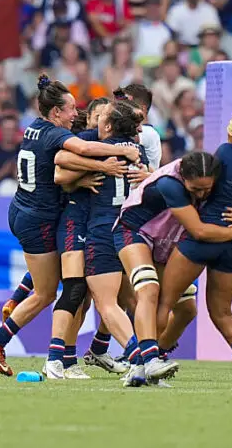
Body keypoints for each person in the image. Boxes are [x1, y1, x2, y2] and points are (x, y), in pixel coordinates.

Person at [0, 75, 140, 377]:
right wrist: (110, 162)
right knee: (48, 292)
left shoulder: (34, 129)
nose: (76, 114)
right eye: (70, 109)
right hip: (38, 217)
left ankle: (61, 355)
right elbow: (78, 155)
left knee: (65, 282)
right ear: (55, 112)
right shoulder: (55, 135)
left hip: (23, 209)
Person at [113, 151, 232, 384]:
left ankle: (149, 361)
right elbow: (199, 231)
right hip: (133, 232)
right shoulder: (170, 184)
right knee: (149, 290)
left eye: (207, 189)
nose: (202, 194)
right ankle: (148, 360)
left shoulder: (205, 178)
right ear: (184, 177)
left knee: (187, 310)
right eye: (196, 189)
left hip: (164, 242)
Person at [157, 112, 232, 390]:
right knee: (222, 312)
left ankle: (145, 361)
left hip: (205, 235)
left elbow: (203, 182)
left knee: (164, 301)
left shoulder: (225, 152)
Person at [54, 101, 150, 386]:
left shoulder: (90, 143)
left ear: (107, 126)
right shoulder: (138, 151)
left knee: (105, 303)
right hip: (132, 233)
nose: (92, 120)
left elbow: (61, 163)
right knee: (134, 300)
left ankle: (138, 359)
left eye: (101, 117)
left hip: (103, 231)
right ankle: (147, 354)